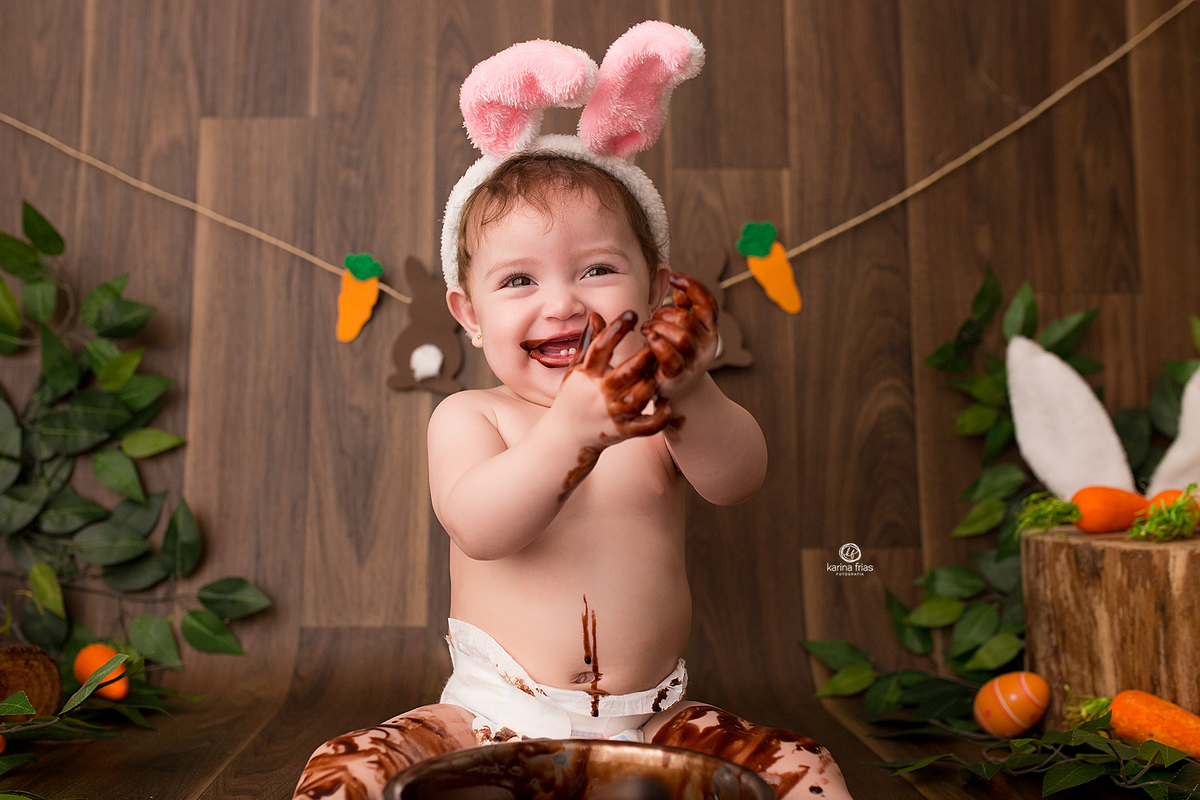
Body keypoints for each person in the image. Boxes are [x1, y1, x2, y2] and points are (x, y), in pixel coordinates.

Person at [294, 22, 854, 800]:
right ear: (469, 315)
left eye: (596, 269)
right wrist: (570, 430)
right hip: (491, 715)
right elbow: (482, 528)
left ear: (657, 293)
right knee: (343, 771)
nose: (562, 303)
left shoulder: (660, 412)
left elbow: (739, 478)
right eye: (518, 281)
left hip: (656, 721)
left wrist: (690, 390)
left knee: (805, 773)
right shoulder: (471, 416)